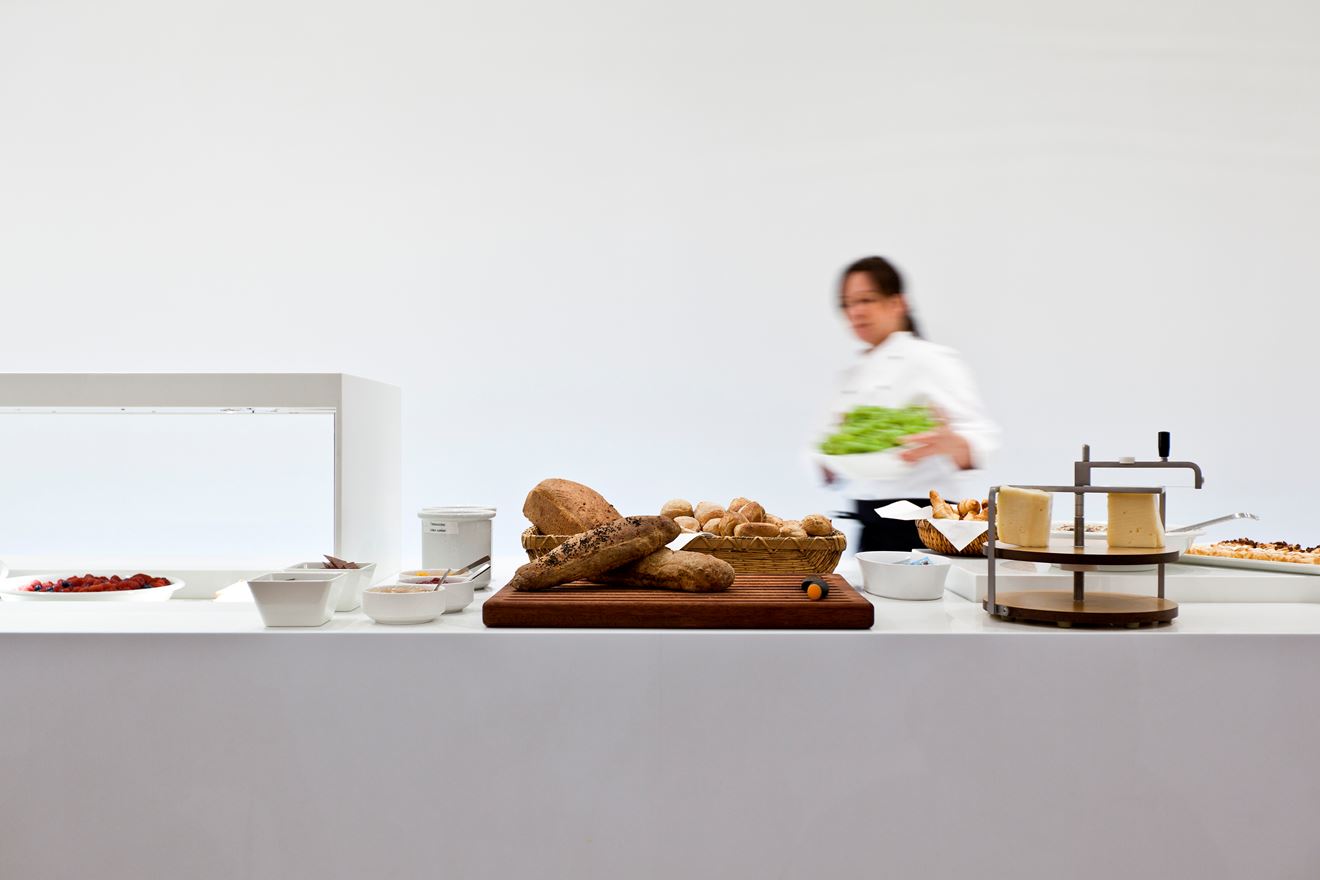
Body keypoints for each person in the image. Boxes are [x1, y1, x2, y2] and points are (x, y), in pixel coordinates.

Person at [818, 256, 999, 552]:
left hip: (927, 529)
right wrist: (830, 462)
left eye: (866, 300)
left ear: (897, 303)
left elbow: (982, 438)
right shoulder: (851, 375)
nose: (855, 311)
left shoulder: (933, 361)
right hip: (871, 529)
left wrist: (951, 443)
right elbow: (827, 453)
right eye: (847, 304)